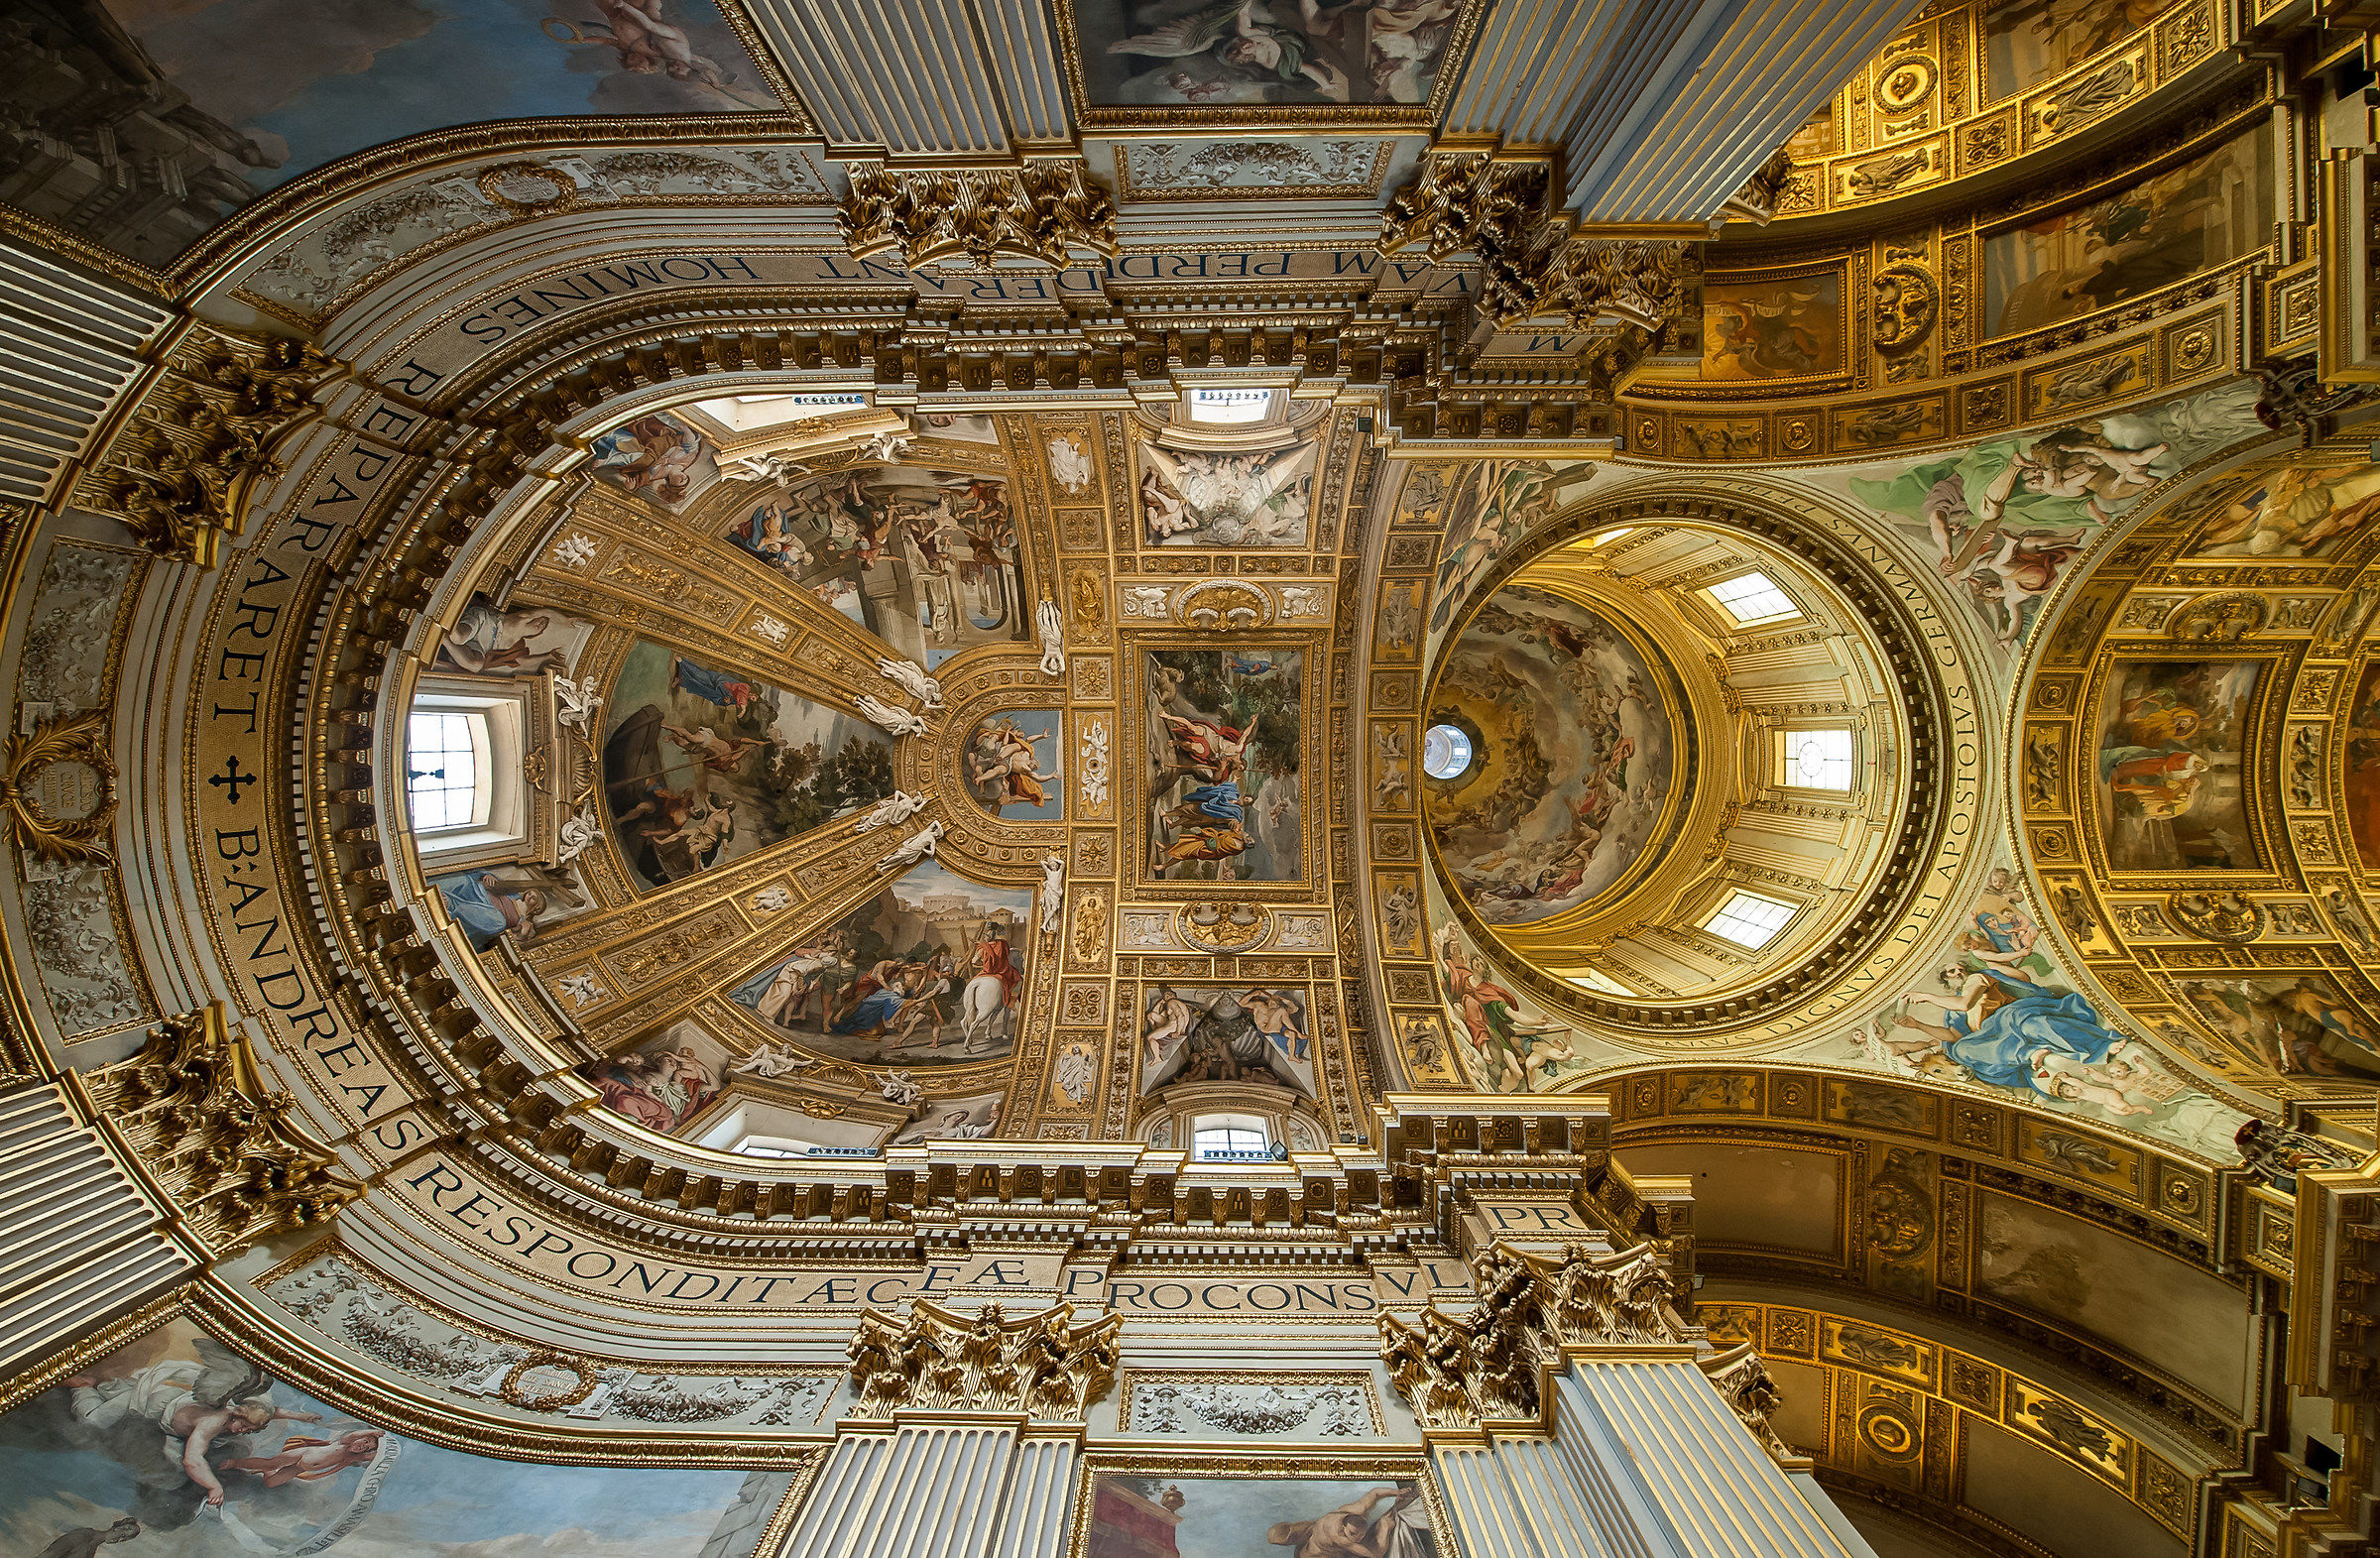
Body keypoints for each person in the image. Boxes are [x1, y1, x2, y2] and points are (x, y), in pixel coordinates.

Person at [66, 1366, 323, 1507]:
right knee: (93, 1419)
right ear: (237, 1415)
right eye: (245, 1427)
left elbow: (270, 1411)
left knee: (172, 1474)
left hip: (171, 1430)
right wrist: (213, 1485)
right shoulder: (212, 1422)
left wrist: (301, 1417)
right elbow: (193, 1460)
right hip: (145, 1403)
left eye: (250, 1431)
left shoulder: (245, 1413)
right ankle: (83, 1387)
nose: (245, 1432)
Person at [1267, 1485, 1422, 1558]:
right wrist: (1385, 1528)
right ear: (1343, 1528)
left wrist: (1396, 1492)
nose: (1359, 1537)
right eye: (1354, 1534)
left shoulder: (1355, 1509)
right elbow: (1375, 1554)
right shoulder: (1337, 1536)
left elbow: (1374, 1493)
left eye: (1360, 1534)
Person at [222, 1428, 384, 1486]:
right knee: (270, 1463)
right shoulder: (344, 1442)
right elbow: (356, 1433)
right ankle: (235, 1462)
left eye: (367, 1447)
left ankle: (265, 1471)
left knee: (271, 1482)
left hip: (301, 1467)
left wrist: (381, 1448)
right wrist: (373, 1433)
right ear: (359, 1438)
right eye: (366, 1441)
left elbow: (372, 1456)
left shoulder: (351, 1457)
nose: (364, 1446)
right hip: (303, 1454)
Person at [36, 1519, 142, 1558]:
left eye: (124, 1540)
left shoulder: (93, 1549)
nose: (119, 1540)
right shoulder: (83, 1536)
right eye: (123, 1536)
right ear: (118, 1528)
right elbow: (48, 1554)